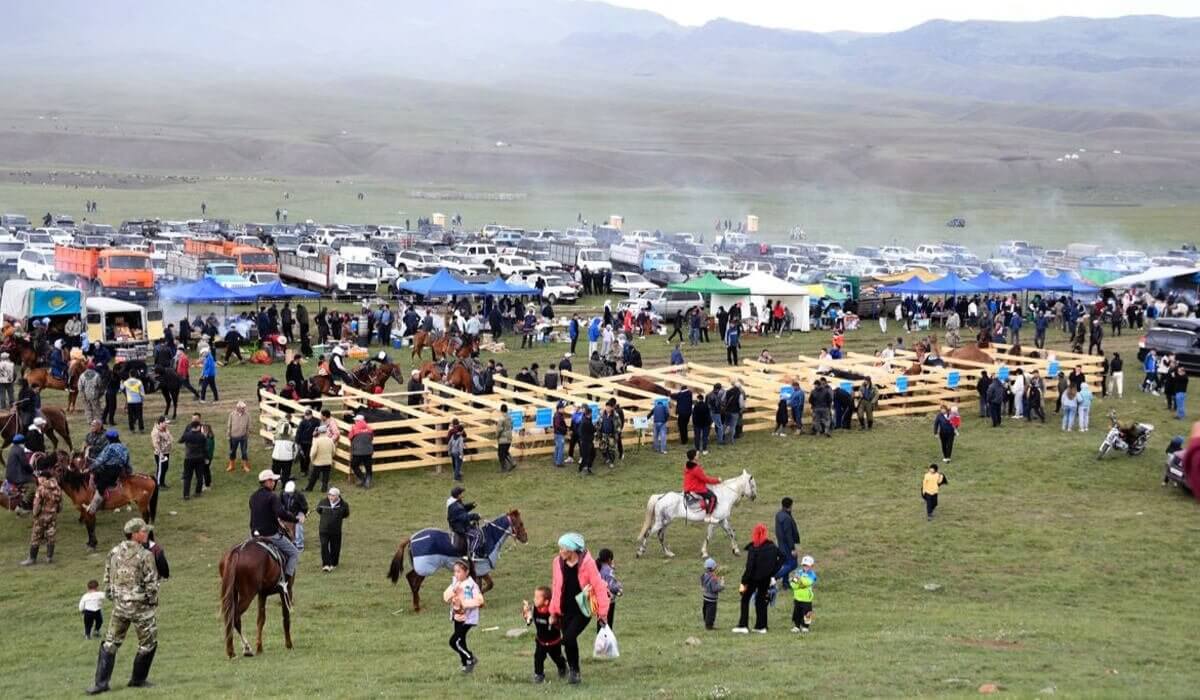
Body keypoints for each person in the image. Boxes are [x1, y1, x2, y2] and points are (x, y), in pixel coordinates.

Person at [85, 518, 159, 695]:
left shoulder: (114, 552)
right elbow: (152, 583)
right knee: (148, 643)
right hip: (141, 609)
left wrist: (114, 597)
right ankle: (138, 680)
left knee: (110, 643)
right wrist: (151, 601)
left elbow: (107, 578)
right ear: (135, 534)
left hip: (120, 607)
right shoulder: (145, 555)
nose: (146, 532)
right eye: (143, 530)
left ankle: (100, 683)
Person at [549, 532, 610, 685]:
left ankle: (574, 671)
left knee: (569, 637)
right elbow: (556, 586)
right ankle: (574, 670)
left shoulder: (587, 564)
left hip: (582, 609)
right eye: (560, 548)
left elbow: (599, 587)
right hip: (564, 609)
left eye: (563, 548)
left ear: (572, 549)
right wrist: (553, 611)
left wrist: (602, 613)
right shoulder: (557, 562)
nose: (560, 551)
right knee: (570, 641)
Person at [248, 470, 301, 601]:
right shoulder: (272, 496)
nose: (275, 483)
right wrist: (295, 519)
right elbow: (281, 513)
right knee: (294, 552)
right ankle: (286, 581)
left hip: (254, 535)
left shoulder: (253, 496)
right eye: (273, 481)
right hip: (270, 534)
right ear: (267, 482)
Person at [732, 523, 783, 634]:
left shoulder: (753, 548)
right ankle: (761, 626)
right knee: (761, 600)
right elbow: (782, 558)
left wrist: (743, 581)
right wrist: (773, 572)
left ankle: (743, 625)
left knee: (745, 599)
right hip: (766, 578)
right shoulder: (772, 547)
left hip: (752, 578)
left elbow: (749, 566)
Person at [443, 559, 484, 673]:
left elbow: (479, 601)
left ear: (466, 572)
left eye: (459, 571)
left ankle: (470, 657)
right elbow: (445, 597)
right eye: (455, 571)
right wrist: (453, 591)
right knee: (461, 641)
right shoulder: (455, 583)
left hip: (468, 619)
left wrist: (464, 604)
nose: (456, 574)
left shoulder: (471, 586)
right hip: (457, 617)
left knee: (453, 641)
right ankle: (465, 664)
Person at [523, 585, 567, 683]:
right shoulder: (534, 609)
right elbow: (529, 620)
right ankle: (539, 675)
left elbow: (561, 624)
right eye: (534, 597)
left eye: (538, 598)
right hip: (541, 641)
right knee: (538, 657)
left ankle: (563, 667)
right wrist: (526, 613)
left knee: (557, 657)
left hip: (554, 642)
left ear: (546, 602)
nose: (534, 599)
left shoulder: (552, 611)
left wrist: (555, 620)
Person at [21, 466, 62, 565]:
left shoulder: (41, 489)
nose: (38, 479)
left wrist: (35, 514)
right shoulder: (57, 488)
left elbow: (37, 504)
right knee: (51, 536)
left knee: (36, 536)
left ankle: (32, 558)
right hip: (52, 516)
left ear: (44, 478)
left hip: (41, 517)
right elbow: (60, 504)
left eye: (39, 477)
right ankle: (49, 557)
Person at [88, 430, 131, 515]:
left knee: (100, 486)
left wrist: (90, 468)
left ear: (109, 439)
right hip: (120, 469)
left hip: (110, 470)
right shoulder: (123, 447)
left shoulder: (109, 448)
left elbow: (101, 460)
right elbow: (127, 460)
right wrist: (128, 470)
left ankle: (93, 508)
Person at [316, 486, 350, 572]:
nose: (330, 497)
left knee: (335, 547)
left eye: (333, 495)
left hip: (336, 530)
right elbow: (318, 510)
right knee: (324, 545)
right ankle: (326, 564)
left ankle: (334, 563)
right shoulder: (323, 502)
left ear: (338, 496)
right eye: (329, 495)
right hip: (323, 529)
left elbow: (346, 514)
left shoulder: (344, 505)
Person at [683, 449, 721, 521]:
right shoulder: (696, 469)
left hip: (689, 487)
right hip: (696, 489)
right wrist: (717, 480)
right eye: (697, 455)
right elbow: (705, 479)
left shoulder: (687, 466)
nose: (698, 456)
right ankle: (708, 516)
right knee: (713, 498)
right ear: (694, 457)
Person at [447, 486, 482, 558]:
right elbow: (464, 517)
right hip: (460, 528)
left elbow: (463, 509)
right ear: (458, 495)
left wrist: (471, 505)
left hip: (460, 524)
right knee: (477, 535)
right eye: (462, 493)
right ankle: (472, 554)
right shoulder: (455, 507)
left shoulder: (456, 503)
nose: (463, 495)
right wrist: (475, 516)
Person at [178, 415, 207, 500]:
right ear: (198, 427)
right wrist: (206, 457)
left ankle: (186, 494)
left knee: (187, 477)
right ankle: (198, 492)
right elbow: (205, 448)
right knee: (199, 476)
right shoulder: (202, 436)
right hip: (199, 458)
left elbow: (180, 441)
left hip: (189, 458)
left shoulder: (187, 435)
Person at [774, 497, 801, 584]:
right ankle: (775, 577)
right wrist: (792, 548)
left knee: (786, 563)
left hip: (780, 543)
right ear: (790, 506)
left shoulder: (779, 514)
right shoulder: (787, 518)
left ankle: (785, 583)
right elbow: (788, 535)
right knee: (793, 564)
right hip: (787, 545)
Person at [788, 556, 818, 633]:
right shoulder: (799, 572)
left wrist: (800, 580)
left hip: (806, 598)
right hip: (797, 597)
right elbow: (793, 584)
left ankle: (805, 626)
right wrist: (797, 582)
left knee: (807, 613)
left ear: (811, 566)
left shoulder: (812, 574)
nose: (806, 567)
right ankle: (797, 626)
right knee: (797, 612)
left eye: (807, 565)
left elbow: (808, 582)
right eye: (804, 565)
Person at [596, 548, 622, 629]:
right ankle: (605, 640)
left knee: (601, 625)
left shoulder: (597, 568)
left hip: (599, 601)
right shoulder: (608, 570)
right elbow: (611, 586)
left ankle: (600, 639)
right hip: (608, 602)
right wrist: (619, 587)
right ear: (609, 559)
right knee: (607, 627)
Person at [305, 425, 335, 494]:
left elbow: (313, 452)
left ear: (319, 432)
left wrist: (312, 460)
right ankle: (324, 489)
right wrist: (330, 457)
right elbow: (333, 451)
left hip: (318, 462)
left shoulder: (317, 441)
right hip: (327, 461)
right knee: (326, 477)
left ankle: (309, 488)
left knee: (314, 476)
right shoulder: (330, 440)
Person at [280, 481, 309, 551]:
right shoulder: (283, 493)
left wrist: (302, 515)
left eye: (290, 492)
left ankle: (299, 545)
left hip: (298, 512)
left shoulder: (299, 495)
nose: (289, 493)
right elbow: (280, 504)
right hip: (287, 512)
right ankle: (287, 540)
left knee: (299, 525)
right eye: (288, 492)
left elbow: (304, 507)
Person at [348, 414, 375, 488]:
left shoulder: (354, 428)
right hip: (368, 451)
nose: (355, 422)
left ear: (358, 421)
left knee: (354, 465)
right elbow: (372, 437)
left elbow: (350, 437)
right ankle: (368, 480)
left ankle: (362, 478)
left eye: (356, 420)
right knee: (368, 467)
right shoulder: (369, 428)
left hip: (358, 451)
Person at [700, 558, 725, 631]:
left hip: (705, 597)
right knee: (711, 613)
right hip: (712, 599)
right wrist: (722, 585)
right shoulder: (713, 578)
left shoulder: (704, 575)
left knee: (705, 610)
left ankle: (706, 622)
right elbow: (715, 589)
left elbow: (702, 580)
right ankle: (709, 626)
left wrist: (703, 587)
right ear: (714, 568)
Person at [227, 401, 251, 473]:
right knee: (232, 451)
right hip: (233, 436)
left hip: (243, 436)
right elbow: (229, 425)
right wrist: (228, 435)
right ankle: (231, 465)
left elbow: (248, 426)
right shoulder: (232, 414)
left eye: (244, 408)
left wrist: (247, 434)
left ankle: (245, 466)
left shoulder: (247, 415)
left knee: (244, 452)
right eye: (242, 408)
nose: (244, 409)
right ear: (238, 408)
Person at [294, 409, 319, 478]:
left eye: (308, 415)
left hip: (311, 441)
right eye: (306, 415)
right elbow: (299, 431)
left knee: (308, 456)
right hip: (303, 441)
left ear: (311, 415)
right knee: (302, 456)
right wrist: (297, 441)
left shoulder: (316, 421)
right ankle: (303, 470)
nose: (307, 417)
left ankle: (306, 469)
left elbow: (318, 429)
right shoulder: (303, 422)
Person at [496, 404, 516, 472]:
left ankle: (504, 468)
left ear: (501, 410)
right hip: (509, 437)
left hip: (503, 438)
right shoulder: (510, 417)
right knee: (505, 452)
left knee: (500, 453)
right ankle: (512, 462)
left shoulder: (501, 419)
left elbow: (499, 429)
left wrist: (497, 436)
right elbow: (512, 427)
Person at [692, 390, 712, 455]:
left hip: (697, 424)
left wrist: (694, 423)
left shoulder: (696, 406)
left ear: (698, 399)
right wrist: (709, 422)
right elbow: (709, 415)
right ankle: (704, 450)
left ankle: (697, 449)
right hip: (706, 423)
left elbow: (694, 415)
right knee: (705, 437)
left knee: (697, 437)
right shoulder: (706, 405)